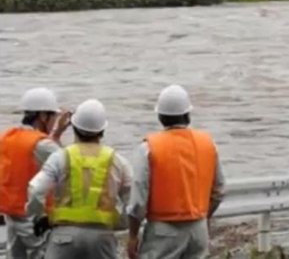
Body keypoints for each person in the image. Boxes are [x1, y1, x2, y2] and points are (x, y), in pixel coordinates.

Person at [127, 85, 225, 259]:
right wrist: (203, 216)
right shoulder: (208, 144)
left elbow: (138, 200)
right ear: (188, 114)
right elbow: (219, 190)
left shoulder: (149, 148)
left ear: (160, 116)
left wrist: (133, 235)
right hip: (198, 230)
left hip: (163, 231)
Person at [26, 99, 133, 259]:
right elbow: (133, 201)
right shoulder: (118, 161)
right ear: (102, 131)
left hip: (63, 237)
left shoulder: (60, 157)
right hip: (102, 238)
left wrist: (39, 217)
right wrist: (124, 225)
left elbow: (35, 190)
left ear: (74, 127)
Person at [0, 88, 71, 259]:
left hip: (11, 214)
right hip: (34, 217)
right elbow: (69, 163)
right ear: (43, 116)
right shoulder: (42, 145)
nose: (55, 121)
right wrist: (58, 134)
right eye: (53, 116)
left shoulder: (8, 137)